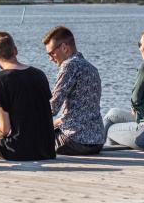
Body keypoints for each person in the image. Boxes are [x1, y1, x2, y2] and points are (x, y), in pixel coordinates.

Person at [0, 31, 55, 160]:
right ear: (15, 50)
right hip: (47, 149)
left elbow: (4, 129)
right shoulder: (40, 74)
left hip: (19, 150)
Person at [43, 26, 105, 155]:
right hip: (97, 142)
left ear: (64, 48)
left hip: (73, 141)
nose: (50, 58)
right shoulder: (92, 68)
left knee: (30, 138)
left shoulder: (69, 65)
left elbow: (52, 107)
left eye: (51, 53)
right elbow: (81, 111)